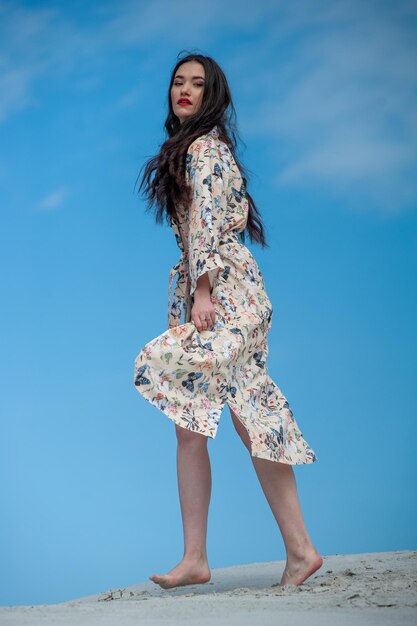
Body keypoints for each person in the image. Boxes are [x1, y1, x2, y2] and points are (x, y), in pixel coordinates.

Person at [133, 52, 323, 590]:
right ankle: (196, 557)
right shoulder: (193, 150)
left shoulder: (206, 150)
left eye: (197, 84)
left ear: (213, 95)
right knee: (192, 423)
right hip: (208, 288)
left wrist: (202, 292)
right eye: (178, 82)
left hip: (221, 294)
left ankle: (301, 548)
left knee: (246, 410)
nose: (184, 90)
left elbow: (210, 227)